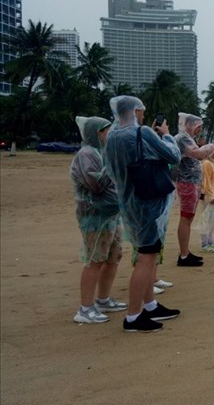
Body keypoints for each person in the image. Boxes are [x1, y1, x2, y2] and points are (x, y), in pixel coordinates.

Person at [104, 96, 182, 332]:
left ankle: (150, 305)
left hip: (129, 202)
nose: (144, 117)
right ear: (136, 111)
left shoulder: (112, 137)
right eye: (142, 112)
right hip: (147, 201)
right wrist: (167, 135)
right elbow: (174, 156)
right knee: (146, 258)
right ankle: (133, 316)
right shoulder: (142, 132)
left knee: (143, 254)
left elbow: (110, 170)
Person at [70, 116, 126, 324]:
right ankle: (85, 308)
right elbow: (96, 184)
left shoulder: (102, 152)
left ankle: (103, 299)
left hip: (111, 214)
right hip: (94, 216)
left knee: (112, 256)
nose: (110, 134)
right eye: (106, 130)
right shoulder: (86, 154)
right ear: (97, 133)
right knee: (95, 259)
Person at [174, 112, 214, 266]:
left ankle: (185, 252)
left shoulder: (188, 139)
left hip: (191, 183)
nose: (200, 130)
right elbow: (197, 154)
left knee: (188, 218)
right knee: (186, 218)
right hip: (187, 183)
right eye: (199, 127)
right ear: (191, 125)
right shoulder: (183, 138)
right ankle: (184, 255)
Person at [196, 148, 214, 253]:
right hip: (209, 197)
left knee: (213, 221)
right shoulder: (206, 164)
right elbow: (206, 182)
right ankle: (204, 244)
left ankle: (211, 242)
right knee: (206, 220)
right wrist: (211, 196)